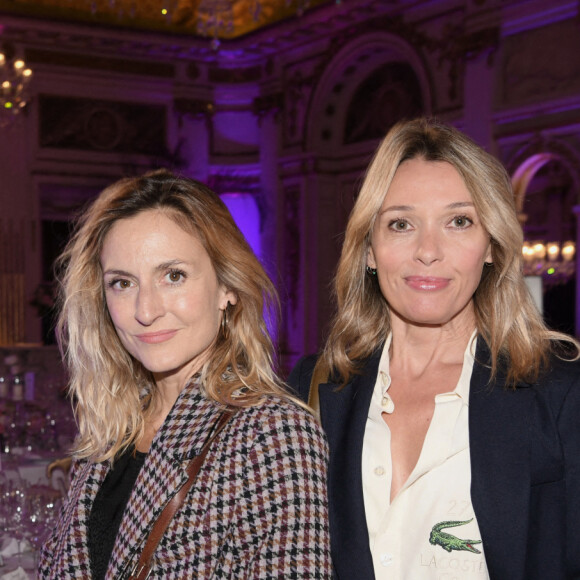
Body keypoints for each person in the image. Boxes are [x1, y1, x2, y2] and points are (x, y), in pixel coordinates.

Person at [289, 118, 580, 580]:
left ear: (491, 246)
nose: (428, 250)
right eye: (401, 224)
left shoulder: (558, 392)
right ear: (369, 248)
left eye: (459, 221)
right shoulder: (316, 388)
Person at [39, 169, 332, 579]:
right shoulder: (112, 427)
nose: (145, 310)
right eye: (122, 283)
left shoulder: (272, 434)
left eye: (173, 275)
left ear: (226, 287)